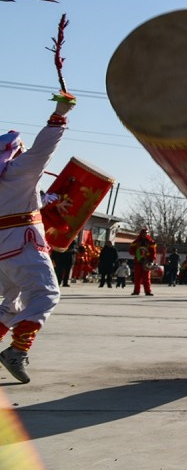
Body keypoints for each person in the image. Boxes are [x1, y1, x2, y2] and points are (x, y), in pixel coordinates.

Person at [0, 96, 74, 383]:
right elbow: (44, 149)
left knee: (13, 301)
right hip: (23, 245)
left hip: (4, 251)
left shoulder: (10, 179)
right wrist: (60, 115)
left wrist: (47, 200)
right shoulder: (20, 170)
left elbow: (20, 201)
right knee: (46, 295)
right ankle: (17, 351)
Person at [128, 228, 157, 296]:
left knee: (146, 277)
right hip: (138, 261)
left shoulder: (151, 242)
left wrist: (151, 259)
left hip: (147, 262)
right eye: (144, 233)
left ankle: (148, 291)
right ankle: (136, 291)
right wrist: (138, 253)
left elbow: (153, 252)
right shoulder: (136, 242)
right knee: (137, 277)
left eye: (146, 233)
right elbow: (131, 251)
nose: (145, 234)